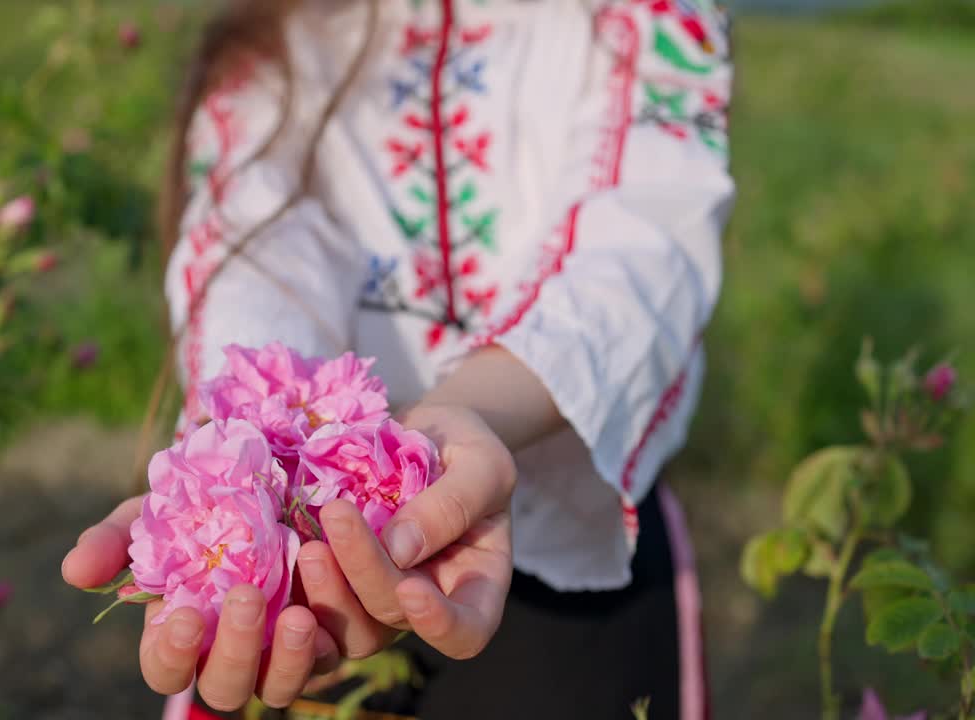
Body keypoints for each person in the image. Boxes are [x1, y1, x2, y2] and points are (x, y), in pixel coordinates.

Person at [62, 0, 733, 717]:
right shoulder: (288, 24)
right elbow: (257, 241)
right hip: (304, 558)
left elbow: (640, 248)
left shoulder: (635, 17)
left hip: (574, 552)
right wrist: (244, 458)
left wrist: (466, 416)